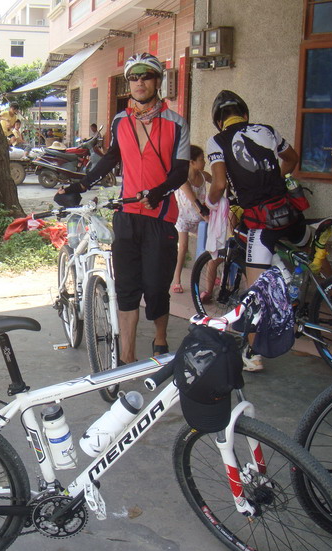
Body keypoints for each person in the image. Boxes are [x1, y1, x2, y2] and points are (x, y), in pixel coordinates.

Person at [57, 53, 190, 361]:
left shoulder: (176, 123)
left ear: (158, 81)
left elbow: (181, 171)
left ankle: (160, 337)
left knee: (156, 288)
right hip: (127, 215)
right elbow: (111, 158)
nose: (139, 82)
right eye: (133, 77)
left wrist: (157, 193)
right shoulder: (120, 121)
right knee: (127, 287)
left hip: (160, 217)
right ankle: (127, 355)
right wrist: (81, 185)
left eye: (146, 76)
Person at [206, 90, 309, 372]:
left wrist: (209, 204)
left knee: (255, 292)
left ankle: (253, 354)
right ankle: (329, 295)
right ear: (245, 114)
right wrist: (276, 178)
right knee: (309, 251)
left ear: (219, 122)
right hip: (289, 213)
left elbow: (218, 185)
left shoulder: (217, 141)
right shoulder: (268, 130)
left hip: (261, 222)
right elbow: (292, 158)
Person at [171, 145, 211, 294]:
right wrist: (206, 215)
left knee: (209, 247)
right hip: (183, 218)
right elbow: (194, 201)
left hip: (199, 218)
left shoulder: (203, 175)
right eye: (201, 159)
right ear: (192, 162)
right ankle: (177, 280)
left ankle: (210, 274)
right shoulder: (183, 179)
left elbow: (217, 182)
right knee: (183, 247)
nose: (204, 162)